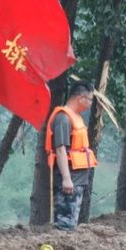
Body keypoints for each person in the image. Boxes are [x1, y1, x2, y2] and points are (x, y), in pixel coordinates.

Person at [44, 81, 96, 230]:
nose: (91, 103)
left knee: (70, 223)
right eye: (90, 99)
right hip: (68, 181)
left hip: (77, 180)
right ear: (81, 98)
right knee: (64, 225)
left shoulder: (76, 117)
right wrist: (66, 179)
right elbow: (60, 150)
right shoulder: (63, 118)